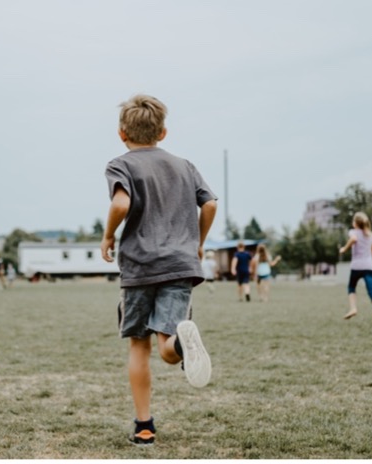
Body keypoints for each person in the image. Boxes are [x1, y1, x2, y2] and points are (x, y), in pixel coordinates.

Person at [100, 94, 217, 446]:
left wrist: (108, 236)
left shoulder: (121, 165)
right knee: (167, 344)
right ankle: (181, 342)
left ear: (122, 133)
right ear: (163, 133)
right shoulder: (184, 165)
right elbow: (209, 203)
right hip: (181, 264)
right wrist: (198, 240)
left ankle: (144, 426)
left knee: (139, 345)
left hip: (140, 267)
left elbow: (121, 202)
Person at [338, 212, 372, 328]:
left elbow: (353, 239)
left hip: (356, 266)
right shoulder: (371, 235)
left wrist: (344, 249)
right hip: (369, 266)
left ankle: (353, 308)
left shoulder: (353, 232)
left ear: (355, 223)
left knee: (351, 287)